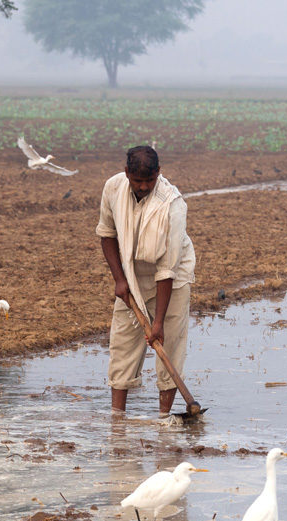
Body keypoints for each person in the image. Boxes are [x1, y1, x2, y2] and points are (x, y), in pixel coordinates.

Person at [96, 145, 195, 418]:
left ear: (158, 174)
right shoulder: (113, 188)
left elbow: (167, 269)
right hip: (129, 274)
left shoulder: (172, 205)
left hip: (172, 279)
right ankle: (117, 418)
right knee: (123, 344)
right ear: (127, 172)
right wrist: (119, 280)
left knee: (170, 345)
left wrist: (159, 322)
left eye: (149, 181)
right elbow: (107, 234)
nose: (143, 186)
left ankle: (164, 417)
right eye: (137, 180)